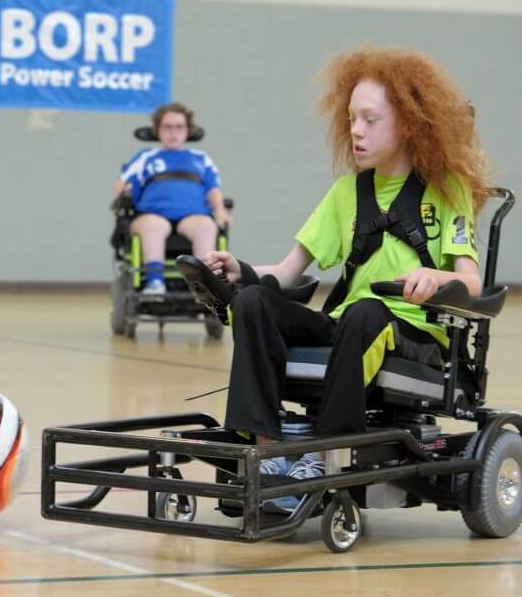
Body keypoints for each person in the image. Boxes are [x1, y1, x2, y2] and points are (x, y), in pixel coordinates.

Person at [187, 47, 487, 511]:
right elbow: (287, 272)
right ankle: (267, 454)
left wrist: (436, 275)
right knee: (251, 302)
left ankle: (325, 454)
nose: (356, 131)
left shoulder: (447, 190)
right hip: (353, 324)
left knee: (368, 312)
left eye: (371, 119)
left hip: (416, 335)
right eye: (351, 119)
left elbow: (471, 284)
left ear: (408, 122)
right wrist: (240, 270)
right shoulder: (346, 193)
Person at [114, 103, 231, 295]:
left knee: (206, 226)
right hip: (151, 215)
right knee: (155, 226)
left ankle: (202, 286)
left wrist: (220, 211)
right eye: (167, 127)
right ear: (158, 130)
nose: (173, 132)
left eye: (179, 127)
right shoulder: (147, 156)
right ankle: (154, 282)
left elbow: (213, 189)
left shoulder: (200, 158)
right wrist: (125, 190)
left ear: (189, 130)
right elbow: (122, 185)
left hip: (193, 216)